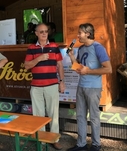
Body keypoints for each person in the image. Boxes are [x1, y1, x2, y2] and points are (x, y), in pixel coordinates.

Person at [67, 23, 112, 151]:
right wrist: (71, 57)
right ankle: (81, 144)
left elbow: (108, 69)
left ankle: (96, 145)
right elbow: (78, 67)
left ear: (87, 33)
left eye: (80, 33)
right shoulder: (80, 49)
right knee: (80, 116)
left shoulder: (98, 48)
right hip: (81, 86)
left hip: (93, 88)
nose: (78, 35)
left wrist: (88, 71)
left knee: (94, 116)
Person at [24, 23, 65, 150]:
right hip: (36, 86)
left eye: (45, 31)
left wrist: (62, 81)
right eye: (41, 31)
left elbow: (59, 66)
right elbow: (26, 66)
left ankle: (54, 139)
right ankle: (41, 140)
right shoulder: (31, 48)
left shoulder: (54, 47)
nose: (43, 33)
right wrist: (39, 58)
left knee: (53, 114)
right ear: (36, 33)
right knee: (38, 115)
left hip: (52, 85)